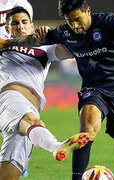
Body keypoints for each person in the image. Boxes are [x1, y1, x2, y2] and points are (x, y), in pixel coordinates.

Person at [0, 0, 114, 179]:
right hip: (93, 89)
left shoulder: (107, 22)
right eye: (69, 21)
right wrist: (8, 43)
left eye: (77, 19)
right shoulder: (63, 32)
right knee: (86, 131)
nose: (74, 25)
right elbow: (35, 38)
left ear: (88, 11)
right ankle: (70, 168)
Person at [0, 6, 90, 180]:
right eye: (15, 23)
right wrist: (29, 39)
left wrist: (54, 35)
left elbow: (71, 51)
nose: (20, 26)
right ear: (7, 28)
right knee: (32, 120)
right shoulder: (4, 43)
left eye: (24, 22)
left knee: (8, 174)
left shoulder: (46, 50)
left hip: (30, 114)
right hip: (7, 98)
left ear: (32, 26)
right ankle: (56, 146)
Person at [0, 1, 33, 177]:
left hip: (13, 51)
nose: (20, 25)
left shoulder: (21, 3)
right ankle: (52, 144)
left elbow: (26, 32)